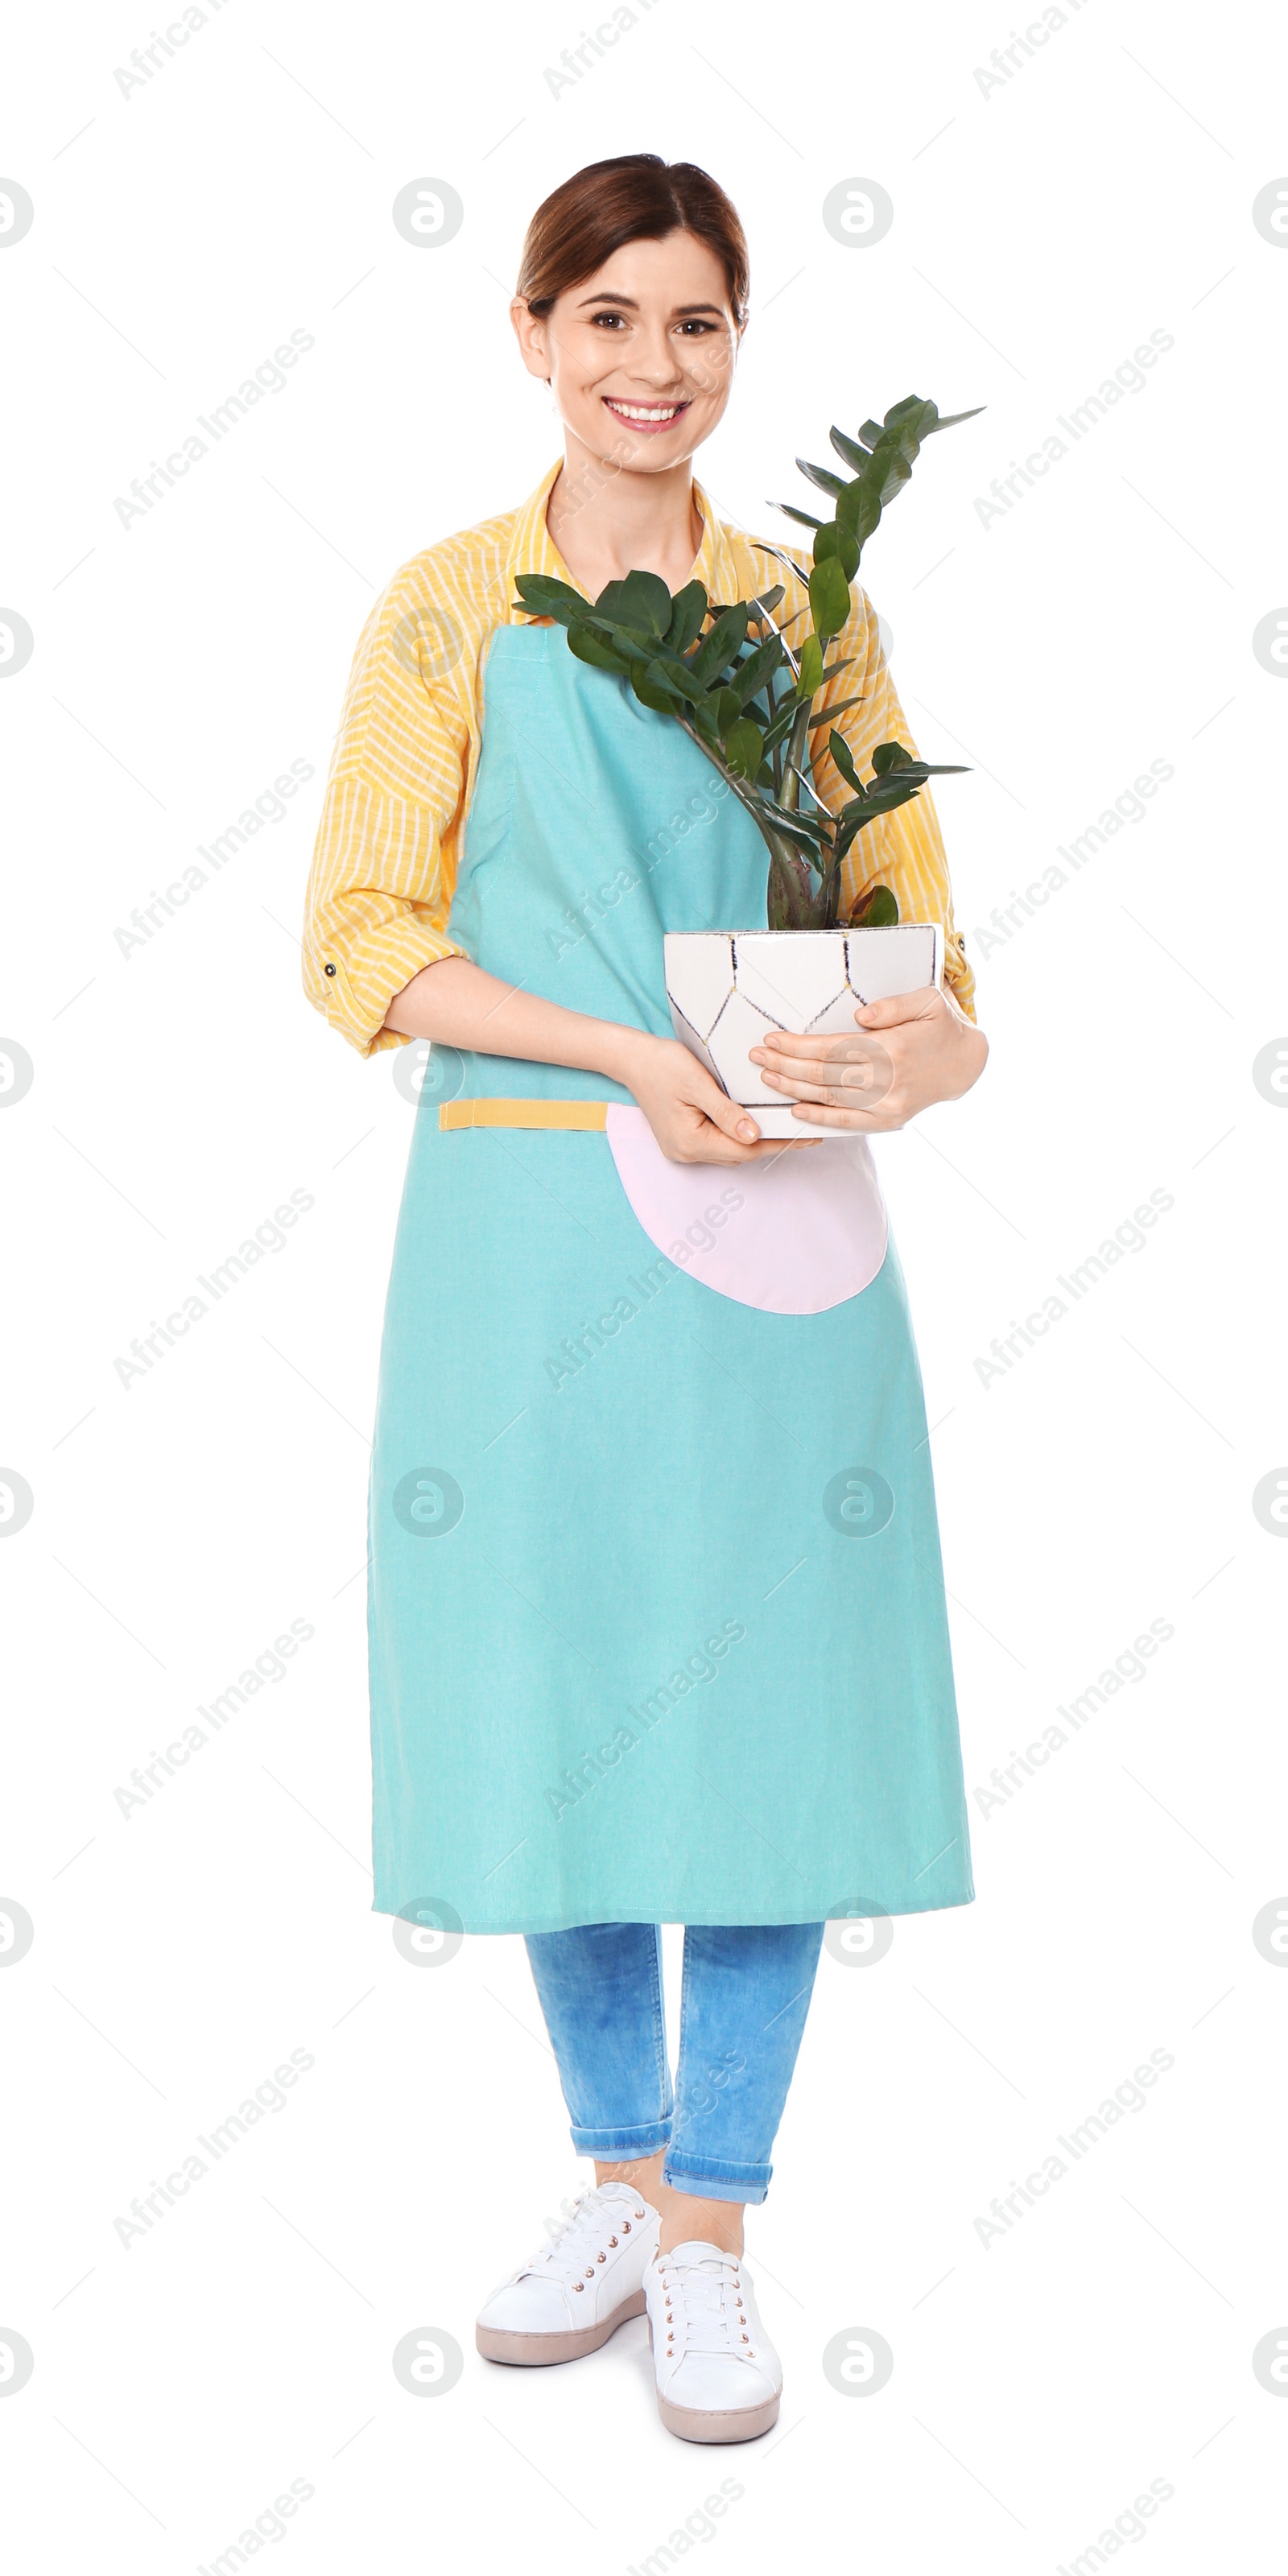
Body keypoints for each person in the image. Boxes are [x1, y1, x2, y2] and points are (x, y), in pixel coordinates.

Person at [302, 152, 988, 2446]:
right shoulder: (443, 610)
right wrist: (623, 1053)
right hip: (526, 1224)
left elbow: (936, 957)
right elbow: (360, 942)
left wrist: (912, 1046)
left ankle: (712, 2220)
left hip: (780, 1220)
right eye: (606, 319)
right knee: (559, 1696)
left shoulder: (808, 622)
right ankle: (613, 2172)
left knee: (771, 1715)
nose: (652, 368)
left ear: (737, 348)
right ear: (530, 336)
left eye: (695, 324)